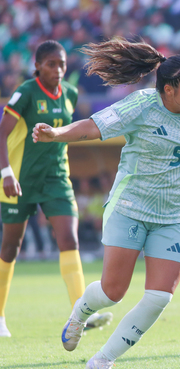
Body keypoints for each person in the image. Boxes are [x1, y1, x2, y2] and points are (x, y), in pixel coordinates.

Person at [32, 37, 180, 369]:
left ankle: (103, 361)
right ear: (168, 90)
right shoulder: (141, 106)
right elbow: (93, 126)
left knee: (159, 296)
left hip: (176, 215)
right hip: (131, 208)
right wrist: (56, 134)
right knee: (112, 291)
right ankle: (80, 313)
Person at [0, 40, 113, 338]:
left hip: (57, 179)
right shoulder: (26, 92)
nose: (58, 70)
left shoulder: (70, 95)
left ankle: (81, 314)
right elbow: (2, 133)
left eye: (62, 64)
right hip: (19, 180)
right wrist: (6, 173)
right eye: (51, 64)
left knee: (69, 240)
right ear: (37, 65)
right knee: (11, 247)